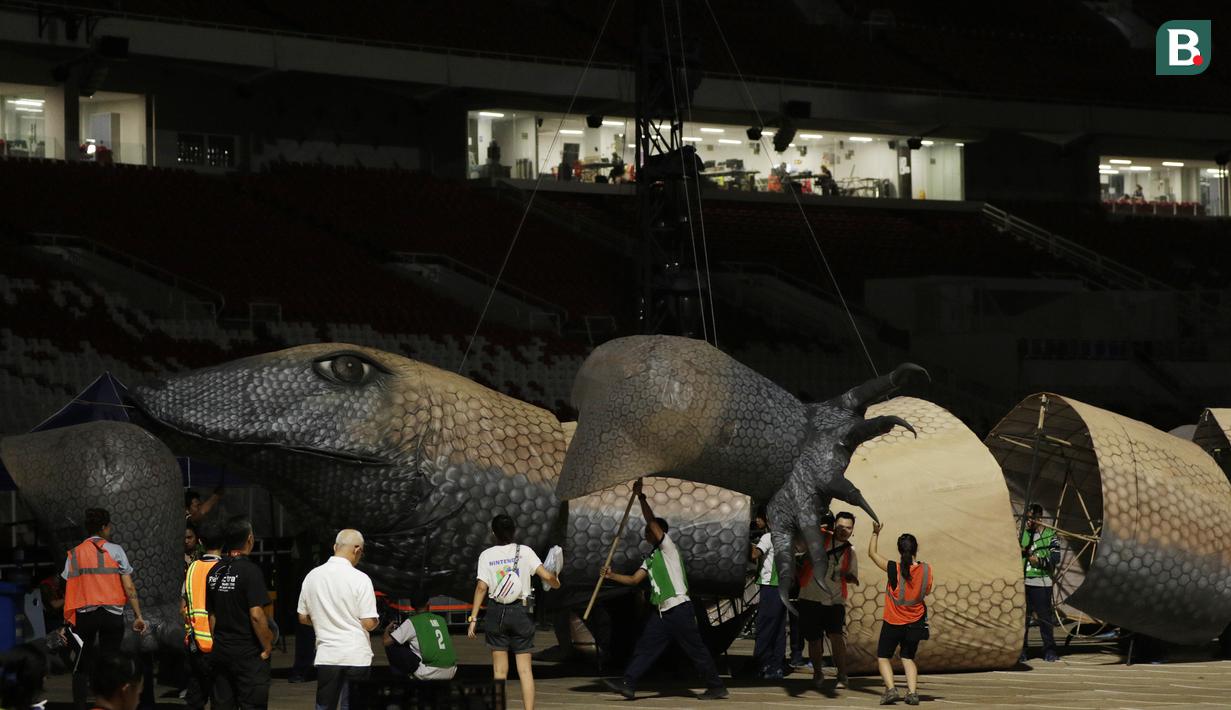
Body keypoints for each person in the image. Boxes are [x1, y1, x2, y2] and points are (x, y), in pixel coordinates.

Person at [600, 479, 729, 700]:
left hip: (679, 608)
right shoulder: (650, 558)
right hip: (662, 612)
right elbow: (633, 580)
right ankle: (628, 683)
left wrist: (641, 497)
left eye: (650, 531)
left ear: (659, 532)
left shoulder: (668, 548)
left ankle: (716, 686)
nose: (646, 533)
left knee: (695, 649)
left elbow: (651, 521)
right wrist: (611, 575)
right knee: (646, 646)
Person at [468, 513, 561, 710]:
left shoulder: (486, 556)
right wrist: (556, 581)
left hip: (496, 612)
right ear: (513, 531)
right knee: (525, 671)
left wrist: (473, 618)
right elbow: (547, 577)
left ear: (493, 533)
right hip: (521, 612)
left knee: (499, 672)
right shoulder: (525, 552)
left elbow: (481, 588)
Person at [63, 508, 147, 710]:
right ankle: (111, 704)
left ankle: (80, 706)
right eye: (109, 526)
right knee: (111, 661)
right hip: (112, 614)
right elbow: (129, 586)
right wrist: (138, 615)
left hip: (85, 614)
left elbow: (70, 586)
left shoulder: (74, 553)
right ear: (103, 527)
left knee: (81, 663)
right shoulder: (116, 550)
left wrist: (67, 620)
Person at [297, 529, 380, 710]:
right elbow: (368, 622)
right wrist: (375, 622)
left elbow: (303, 617)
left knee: (324, 706)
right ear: (357, 549)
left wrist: (322, 619)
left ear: (335, 547)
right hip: (356, 655)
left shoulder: (312, 576)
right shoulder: (361, 579)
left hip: (328, 655)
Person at [207, 516, 273, 710]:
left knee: (222, 704)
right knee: (252, 704)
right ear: (250, 539)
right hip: (247, 655)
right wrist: (267, 646)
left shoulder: (215, 571)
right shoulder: (251, 572)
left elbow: (212, 615)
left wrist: (217, 643)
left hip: (221, 652)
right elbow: (256, 614)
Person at [868, 521, 932, 706]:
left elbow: (872, 554)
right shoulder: (927, 569)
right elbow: (926, 591)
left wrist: (875, 533)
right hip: (916, 622)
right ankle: (912, 693)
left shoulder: (893, 569)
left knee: (883, 657)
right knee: (908, 657)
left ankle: (891, 689)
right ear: (916, 549)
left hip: (893, 621)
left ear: (899, 549)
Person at [797, 511, 860, 690]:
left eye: (848, 528)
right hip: (810, 596)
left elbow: (852, 575)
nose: (844, 531)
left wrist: (848, 577)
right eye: (840, 526)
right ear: (834, 525)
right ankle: (818, 672)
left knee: (837, 637)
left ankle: (842, 674)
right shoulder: (819, 538)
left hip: (834, 600)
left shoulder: (850, 551)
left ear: (853, 529)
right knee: (814, 640)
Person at [183, 520, 224, 710]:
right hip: (220, 642)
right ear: (223, 543)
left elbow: (183, 604)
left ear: (200, 541)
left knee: (196, 695)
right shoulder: (226, 569)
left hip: (195, 642)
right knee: (221, 695)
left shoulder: (192, 569)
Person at [384, 589, 458, 681]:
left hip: (429, 672)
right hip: (451, 671)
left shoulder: (412, 621)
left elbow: (386, 642)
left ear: (411, 605)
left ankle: (401, 680)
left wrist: (387, 630)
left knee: (392, 645)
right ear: (428, 603)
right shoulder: (441, 620)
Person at [1020, 503, 1061, 663]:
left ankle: (1049, 650)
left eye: (1032, 518)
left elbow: (1055, 559)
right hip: (1023, 582)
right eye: (1027, 518)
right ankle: (1022, 650)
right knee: (1023, 618)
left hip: (1041, 583)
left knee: (1044, 619)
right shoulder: (1022, 534)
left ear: (1039, 518)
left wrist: (1038, 561)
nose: (1029, 521)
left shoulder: (1051, 535)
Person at [750, 507, 787, 679]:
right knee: (778, 628)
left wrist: (746, 542)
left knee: (764, 626)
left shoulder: (768, 537)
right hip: (783, 587)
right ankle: (777, 666)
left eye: (760, 517)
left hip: (771, 586)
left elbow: (754, 555)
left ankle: (761, 663)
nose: (757, 521)